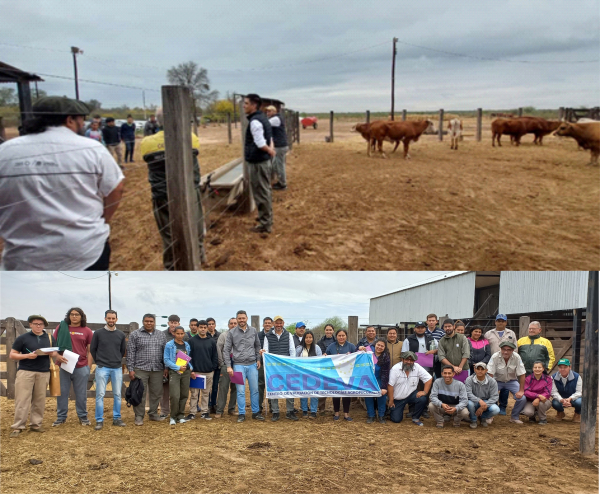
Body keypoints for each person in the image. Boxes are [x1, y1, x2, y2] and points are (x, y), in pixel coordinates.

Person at [0, 97, 124, 271]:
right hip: (84, 251)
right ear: (70, 119)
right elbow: (116, 188)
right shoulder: (91, 149)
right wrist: (105, 219)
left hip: (23, 257)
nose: (83, 124)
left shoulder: (6, 150)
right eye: (81, 119)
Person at [140, 108, 205, 270]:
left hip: (162, 194)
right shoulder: (190, 138)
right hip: (189, 191)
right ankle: (198, 258)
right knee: (195, 226)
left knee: (169, 234)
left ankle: (171, 266)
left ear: (158, 121)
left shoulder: (147, 143)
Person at [9, 315, 66, 437]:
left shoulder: (49, 337)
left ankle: (36, 424)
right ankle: (18, 426)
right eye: (35, 324)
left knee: (39, 400)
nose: (38, 326)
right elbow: (13, 355)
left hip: (43, 372)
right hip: (26, 372)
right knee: (22, 399)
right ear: (30, 325)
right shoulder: (22, 338)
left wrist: (52, 353)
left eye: (40, 324)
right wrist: (26, 356)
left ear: (44, 325)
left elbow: (55, 352)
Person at [53, 307, 94, 427]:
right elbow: (53, 346)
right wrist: (57, 356)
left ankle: (83, 416)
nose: (74, 316)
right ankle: (61, 417)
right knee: (62, 392)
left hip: (81, 366)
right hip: (63, 364)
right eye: (72, 314)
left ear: (81, 316)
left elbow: (90, 350)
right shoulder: (61, 328)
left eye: (77, 314)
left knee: (81, 393)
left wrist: (88, 366)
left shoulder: (87, 331)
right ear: (68, 316)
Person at [126, 314, 168, 426]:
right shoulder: (135, 334)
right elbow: (130, 352)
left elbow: (165, 352)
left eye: (151, 321)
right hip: (140, 368)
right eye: (146, 321)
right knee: (140, 392)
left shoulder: (161, 335)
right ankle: (139, 416)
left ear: (154, 322)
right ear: (143, 322)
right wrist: (130, 369)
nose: (149, 323)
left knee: (156, 392)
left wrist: (165, 367)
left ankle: (153, 413)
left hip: (157, 368)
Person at [243, 93, 276, 234]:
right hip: (262, 160)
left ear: (254, 105)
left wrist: (269, 150)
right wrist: (271, 149)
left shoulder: (255, 121)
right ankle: (265, 217)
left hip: (258, 162)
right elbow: (270, 137)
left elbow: (260, 143)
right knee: (264, 190)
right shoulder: (263, 118)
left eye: (246, 103)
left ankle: (265, 224)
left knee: (261, 192)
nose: (244, 106)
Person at [223, 310, 264, 422]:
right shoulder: (232, 333)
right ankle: (242, 413)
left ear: (246, 318)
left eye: (243, 318)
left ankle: (256, 412)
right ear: (237, 319)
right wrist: (228, 366)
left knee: (254, 389)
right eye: (239, 318)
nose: (241, 320)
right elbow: (226, 350)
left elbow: (257, 346)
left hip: (252, 364)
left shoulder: (253, 331)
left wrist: (258, 359)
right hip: (238, 365)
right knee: (240, 391)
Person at [90, 309, 127, 430]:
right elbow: (93, 349)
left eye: (113, 318)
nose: (111, 320)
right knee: (100, 394)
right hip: (102, 367)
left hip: (116, 368)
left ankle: (117, 418)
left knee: (117, 394)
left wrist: (116, 360)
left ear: (116, 319)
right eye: (109, 318)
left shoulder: (121, 335)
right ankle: (99, 420)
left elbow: (122, 351)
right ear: (105, 318)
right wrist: (99, 361)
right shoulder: (98, 333)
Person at [262, 315, 296, 421]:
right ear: (273, 324)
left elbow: (292, 350)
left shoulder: (288, 335)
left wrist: (291, 364)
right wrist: (264, 355)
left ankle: (290, 411)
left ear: (283, 323)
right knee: (274, 388)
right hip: (273, 368)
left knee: (289, 388)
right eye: (277, 323)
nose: (279, 325)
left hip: (286, 367)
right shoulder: (267, 336)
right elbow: (266, 350)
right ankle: (275, 411)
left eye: (280, 323)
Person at [387, 351, 432, 426]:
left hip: (411, 394)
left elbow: (429, 379)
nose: (409, 362)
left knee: (422, 398)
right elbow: (390, 385)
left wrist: (425, 392)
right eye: (407, 360)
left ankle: (415, 418)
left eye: (411, 360)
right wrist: (391, 400)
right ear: (402, 359)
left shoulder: (417, 367)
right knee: (396, 419)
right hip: (398, 398)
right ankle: (390, 411)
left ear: (414, 361)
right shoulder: (395, 369)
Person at [487, 341, 527, 423]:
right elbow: (490, 373)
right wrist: (491, 389)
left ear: (512, 350)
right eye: (504, 349)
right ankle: (489, 416)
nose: (506, 352)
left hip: (511, 381)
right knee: (489, 395)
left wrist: (521, 390)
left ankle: (514, 417)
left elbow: (522, 374)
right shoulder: (495, 356)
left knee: (522, 398)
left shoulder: (517, 357)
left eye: (508, 350)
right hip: (496, 381)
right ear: (500, 349)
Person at [485, 314, 518, 415]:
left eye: (503, 321)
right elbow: (485, 348)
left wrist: (513, 360)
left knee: (505, 384)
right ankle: (493, 404)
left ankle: (503, 406)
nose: (500, 323)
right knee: (492, 384)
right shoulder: (488, 334)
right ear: (495, 322)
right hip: (492, 362)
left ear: (506, 322)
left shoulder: (511, 333)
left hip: (507, 362)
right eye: (498, 321)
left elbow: (515, 348)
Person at [324, 329, 359, 421]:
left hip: (347, 374)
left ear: (346, 336)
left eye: (343, 335)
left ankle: (346, 414)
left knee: (346, 394)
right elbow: (326, 357)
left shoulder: (351, 346)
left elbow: (356, 357)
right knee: (336, 394)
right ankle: (336, 412)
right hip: (335, 374)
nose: (341, 337)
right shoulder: (331, 346)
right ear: (336, 336)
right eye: (339, 335)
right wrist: (324, 355)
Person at [401, 321, 435, 418]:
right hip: (412, 368)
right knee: (412, 388)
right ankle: (412, 409)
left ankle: (424, 409)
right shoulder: (408, 339)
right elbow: (404, 353)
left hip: (427, 368)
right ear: (415, 329)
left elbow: (437, 350)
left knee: (426, 388)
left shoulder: (431, 339)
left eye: (422, 327)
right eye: (418, 327)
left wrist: (433, 351)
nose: (420, 329)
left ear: (425, 328)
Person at [187, 319, 218, 421]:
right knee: (194, 394)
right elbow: (189, 356)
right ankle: (192, 412)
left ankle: (205, 412)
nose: (203, 329)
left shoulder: (211, 341)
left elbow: (215, 356)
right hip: (196, 372)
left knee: (206, 393)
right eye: (201, 327)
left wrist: (212, 368)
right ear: (197, 328)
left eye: (205, 327)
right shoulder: (191, 341)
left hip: (208, 372)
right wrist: (191, 370)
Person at [164, 326, 193, 425]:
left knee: (184, 395)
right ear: (174, 334)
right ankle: (173, 416)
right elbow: (166, 360)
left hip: (186, 372)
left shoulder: (187, 345)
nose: (180, 335)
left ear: (184, 333)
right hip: (175, 373)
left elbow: (187, 358)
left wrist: (191, 368)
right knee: (174, 395)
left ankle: (181, 415)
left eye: (182, 334)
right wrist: (177, 367)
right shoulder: (169, 345)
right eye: (178, 333)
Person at [161, 314, 188, 417]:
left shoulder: (184, 337)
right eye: (171, 322)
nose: (173, 324)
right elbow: (163, 353)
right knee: (165, 390)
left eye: (175, 322)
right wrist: (165, 367)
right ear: (168, 323)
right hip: (166, 366)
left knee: (178, 392)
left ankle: (178, 412)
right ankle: (164, 411)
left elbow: (187, 353)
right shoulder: (163, 335)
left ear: (178, 324)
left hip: (181, 368)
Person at [295, 330, 322, 419]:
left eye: (310, 337)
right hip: (302, 374)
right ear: (304, 338)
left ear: (313, 338)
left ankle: (313, 411)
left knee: (314, 393)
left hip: (314, 374)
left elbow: (320, 361)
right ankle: (305, 410)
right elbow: (295, 360)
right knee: (304, 393)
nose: (308, 339)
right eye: (306, 337)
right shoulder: (299, 348)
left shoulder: (317, 348)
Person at [215, 317, 239, 418]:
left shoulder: (241, 336)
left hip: (237, 365)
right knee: (223, 388)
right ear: (228, 325)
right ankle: (220, 410)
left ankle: (231, 409)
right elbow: (219, 350)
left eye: (235, 323)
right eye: (231, 323)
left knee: (235, 388)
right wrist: (222, 363)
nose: (233, 325)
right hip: (225, 365)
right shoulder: (223, 335)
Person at [465, 362, 500, 428]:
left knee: (496, 409)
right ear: (475, 370)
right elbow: (468, 393)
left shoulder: (492, 381)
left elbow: (494, 396)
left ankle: (483, 417)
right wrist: (479, 400)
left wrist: (485, 405)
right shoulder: (469, 379)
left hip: (486, 401)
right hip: (473, 401)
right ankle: (473, 420)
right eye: (478, 369)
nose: (480, 371)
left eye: (482, 369)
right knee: (470, 404)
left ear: (486, 370)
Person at [364, 339, 390, 424]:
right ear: (375, 345)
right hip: (368, 379)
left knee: (382, 396)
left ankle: (381, 415)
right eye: (378, 345)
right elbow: (357, 352)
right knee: (368, 397)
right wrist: (360, 348)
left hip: (379, 378)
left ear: (385, 348)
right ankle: (371, 415)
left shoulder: (385, 357)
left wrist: (384, 387)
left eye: (382, 346)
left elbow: (385, 373)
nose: (379, 347)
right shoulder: (367, 353)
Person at [551, 358, 582, 422]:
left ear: (570, 367)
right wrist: (561, 399)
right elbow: (553, 392)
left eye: (565, 367)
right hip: (561, 398)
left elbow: (579, 392)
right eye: (560, 367)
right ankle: (560, 412)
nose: (562, 369)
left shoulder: (577, 376)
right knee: (555, 403)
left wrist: (570, 399)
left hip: (574, 399)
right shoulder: (553, 377)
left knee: (580, 402)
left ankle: (577, 413)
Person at [522, 361, 553, 425]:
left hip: (544, 400)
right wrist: (537, 395)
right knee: (528, 412)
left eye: (539, 367)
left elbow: (547, 392)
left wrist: (538, 399)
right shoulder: (528, 378)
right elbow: (526, 391)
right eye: (535, 367)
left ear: (543, 369)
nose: (537, 369)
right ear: (533, 369)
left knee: (541, 404)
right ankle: (532, 416)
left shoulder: (548, 379)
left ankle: (543, 419)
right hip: (531, 400)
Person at [265, 105, 288, 190]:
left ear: (274, 111)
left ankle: (283, 184)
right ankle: (280, 181)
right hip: (280, 145)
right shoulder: (275, 118)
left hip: (280, 146)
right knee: (275, 164)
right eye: (267, 111)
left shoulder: (275, 119)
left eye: (269, 111)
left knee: (279, 165)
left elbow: (265, 124)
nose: (268, 113)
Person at [317, 323, 336, 412]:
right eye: (327, 330)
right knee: (322, 387)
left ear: (333, 331)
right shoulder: (319, 342)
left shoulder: (337, 341)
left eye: (330, 330)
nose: (328, 331)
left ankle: (335, 408)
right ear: (324, 331)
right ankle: (321, 408)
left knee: (335, 387)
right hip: (323, 367)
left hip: (335, 367)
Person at [258, 317, 274, 414]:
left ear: (272, 324)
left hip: (272, 365)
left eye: (269, 323)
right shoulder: (258, 335)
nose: (267, 324)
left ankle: (272, 406)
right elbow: (255, 347)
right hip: (261, 363)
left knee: (271, 385)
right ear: (263, 325)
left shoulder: (274, 335)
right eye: (266, 323)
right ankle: (259, 406)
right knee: (260, 385)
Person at [206, 317, 220, 414]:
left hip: (217, 365)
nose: (211, 325)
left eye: (212, 324)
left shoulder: (220, 335)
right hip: (206, 365)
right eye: (209, 324)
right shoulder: (203, 336)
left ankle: (213, 404)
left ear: (215, 325)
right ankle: (206, 405)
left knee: (215, 386)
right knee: (206, 387)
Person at [425, 313, 444, 378]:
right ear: (426, 321)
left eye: (433, 320)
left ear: (436, 321)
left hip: (438, 358)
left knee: (438, 376)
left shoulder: (441, 332)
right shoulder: (423, 332)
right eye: (429, 320)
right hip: (425, 357)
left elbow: (444, 346)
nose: (431, 322)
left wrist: (435, 351)